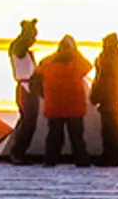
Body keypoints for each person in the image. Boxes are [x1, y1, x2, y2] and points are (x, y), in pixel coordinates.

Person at [36, 35, 93, 167]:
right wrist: (76, 52)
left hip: (54, 106)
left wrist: (56, 53)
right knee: (77, 137)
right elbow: (88, 66)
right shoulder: (76, 66)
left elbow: (38, 70)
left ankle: (50, 161)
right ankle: (81, 161)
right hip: (75, 107)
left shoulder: (48, 65)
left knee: (54, 137)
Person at [89, 33, 118, 167]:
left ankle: (110, 156)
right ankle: (111, 155)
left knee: (110, 128)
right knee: (112, 128)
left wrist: (95, 94)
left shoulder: (108, 58)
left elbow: (101, 79)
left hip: (109, 96)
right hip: (112, 97)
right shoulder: (115, 58)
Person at [7, 19, 39, 163]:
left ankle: (18, 151)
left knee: (27, 120)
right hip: (27, 87)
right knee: (28, 120)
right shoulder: (19, 49)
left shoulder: (21, 49)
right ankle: (18, 153)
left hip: (28, 87)